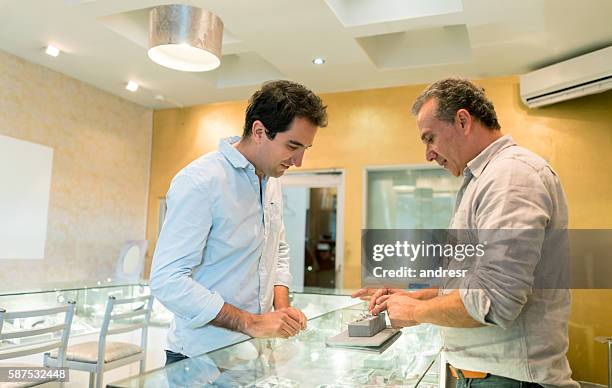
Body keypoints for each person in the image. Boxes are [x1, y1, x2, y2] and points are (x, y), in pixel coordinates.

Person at [354, 78, 578, 387]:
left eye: (429, 138)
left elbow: (495, 301)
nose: (428, 154)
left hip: (507, 380)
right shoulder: (484, 178)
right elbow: (475, 281)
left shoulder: (510, 175)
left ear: (462, 120)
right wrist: (416, 295)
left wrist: (416, 311)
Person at [151, 80, 328, 364]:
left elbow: (277, 251)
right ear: (259, 131)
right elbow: (167, 280)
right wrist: (251, 322)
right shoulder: (200, 181)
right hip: (199, 359)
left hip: (254, 356)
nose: (299, 161)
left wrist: (281, 311)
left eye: (305, 148)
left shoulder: (271, 182)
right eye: (293, 145)